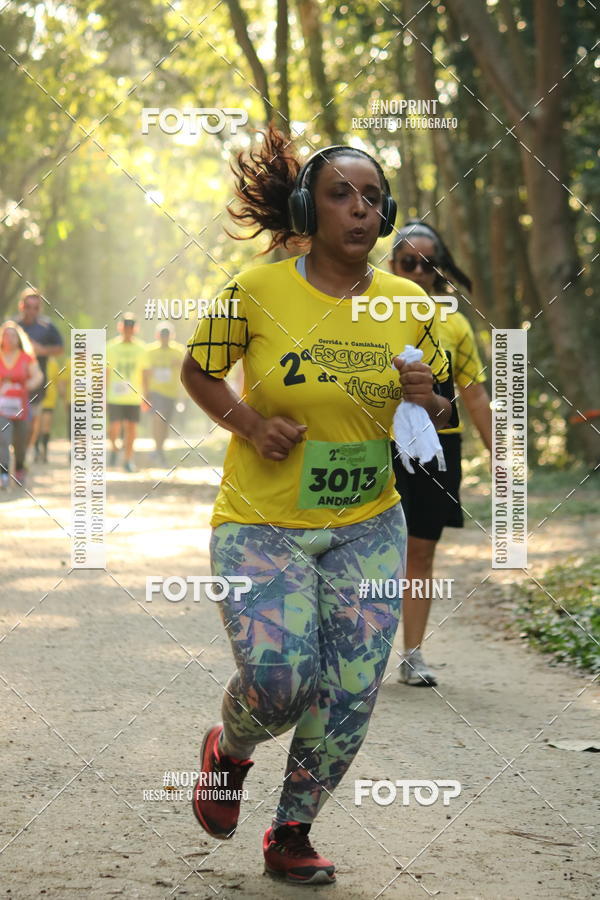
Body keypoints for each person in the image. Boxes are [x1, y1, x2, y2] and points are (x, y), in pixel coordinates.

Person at [181, 128, 452, 885]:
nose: (361, 211)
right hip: (260, 520)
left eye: (372, 197)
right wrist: (250, 423)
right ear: (308, 207)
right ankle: (228, 751)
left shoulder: (407, 303)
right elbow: (199, 374)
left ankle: (292, 832)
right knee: (279, 680)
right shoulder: (254, 290)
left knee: (352, 687)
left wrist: (424, 398)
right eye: (342, 195)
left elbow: (426, 402)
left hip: (369, 520)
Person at [390, 220, 492, 686]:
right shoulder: (362, 314)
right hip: (372, 446)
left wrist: (502, 456)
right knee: (365, 552)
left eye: (425, 264)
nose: (415, 271)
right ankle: (354, 656)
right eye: (406, 262)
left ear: (438, 270)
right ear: (391, 264)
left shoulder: (454, 324)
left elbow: (473, 396)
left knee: (421, 553)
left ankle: (412, 655)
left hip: (436, 449)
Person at [17, 288, 64, 453]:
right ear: (21, 306)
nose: (31, 311)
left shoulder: (47, 326)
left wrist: (41, 351)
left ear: (40, 309)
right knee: (13, 420)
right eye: (28, 306)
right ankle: (14, 455)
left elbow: (60, 348)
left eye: (35, 307)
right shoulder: (14, 326)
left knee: (31, 423)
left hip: (37, 382)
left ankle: (27, 452)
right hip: (13, 383)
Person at [0, 321, 43, 487]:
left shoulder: (26, 357)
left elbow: (38, 376)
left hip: (21, 405)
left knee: (21, 439)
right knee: (3, 437)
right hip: (1, 407)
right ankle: (3, 473)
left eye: (12, 336)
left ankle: (19, 468)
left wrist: (27, 385)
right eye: (6, 335)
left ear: (18, 339)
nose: (9, 339)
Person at [106, 314, 146, 472]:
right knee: (114, 427)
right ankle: (115, 449)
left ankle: (128, 459)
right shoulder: (110, 347)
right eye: (126, 328)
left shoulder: (142, 348)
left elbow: (145, 373)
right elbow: (105, 372)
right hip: (114, 395)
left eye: (131, 328)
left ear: (135, 329)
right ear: (121, 328)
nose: (128, 331)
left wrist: (146, 396)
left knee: (131, 428)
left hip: (133, 395)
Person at [142, 324, 185, 465]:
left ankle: (159, 449)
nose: (165, 338)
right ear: (157, 336)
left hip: (171, 393)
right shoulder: (150, 351)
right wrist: (145, 393)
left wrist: (179, 364)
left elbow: (187, 371)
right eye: (162, 335)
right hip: (156, 392)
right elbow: (144, 372)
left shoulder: (179, 351)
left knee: (165, 424)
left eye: (167, 335)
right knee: (158, 418)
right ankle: (158, 450)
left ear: (171, 336)